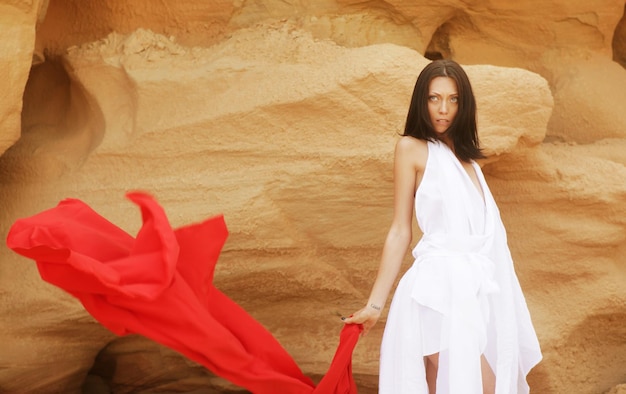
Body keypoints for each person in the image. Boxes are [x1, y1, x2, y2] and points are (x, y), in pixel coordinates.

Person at [343, 59, 542, 394]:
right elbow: (400, 231)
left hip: (468, 296)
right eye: (434, 98)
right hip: (433, 295)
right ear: (421, 101)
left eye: (453, 99)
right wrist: (376, 304)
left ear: (464, 106)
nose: (443, 109)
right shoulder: (412, 149)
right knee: (484, 388)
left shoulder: (469, 163)